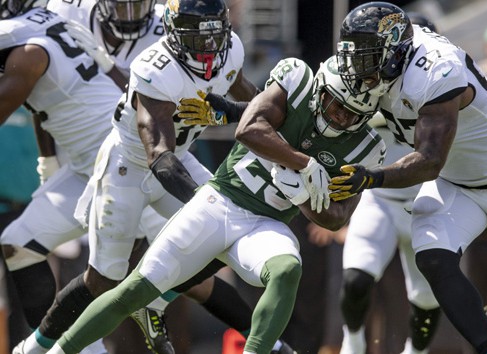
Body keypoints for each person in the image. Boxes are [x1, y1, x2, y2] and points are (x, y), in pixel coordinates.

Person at [42, 54, 386, 354]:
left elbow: (336, 217)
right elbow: (249, 128)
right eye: (336, 104)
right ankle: (59, 351)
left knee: (286, 269)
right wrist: (303, 164)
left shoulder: (364, 146)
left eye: (353, 114)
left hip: (266, 223)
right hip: (219, 201)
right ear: (321, 90)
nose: (341, 117)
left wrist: (303, 195)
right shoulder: (295, 83)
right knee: (132, 291)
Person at [10, 0, 274, 353]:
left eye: (214, 36)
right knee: (103, 278)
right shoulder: (154, 67)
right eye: (197, 37)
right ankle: (35, 349)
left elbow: (254, 106)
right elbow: (159, 158)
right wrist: (206, 201)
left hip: (176, 156)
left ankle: (267, 342)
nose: (208, 48)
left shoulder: (231, 51)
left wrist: (284, 128)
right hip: (129, 165)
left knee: (223, 235)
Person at [332, 3, 487, 354]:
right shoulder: (379, 66)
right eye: (355, 56)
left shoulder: (435, 69)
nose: (358, 69)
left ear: (395, 50)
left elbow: (429, 160)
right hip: (454, 181)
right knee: (431, 258)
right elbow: (305, 107)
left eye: (368, 57)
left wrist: (370, 178)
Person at [0, 0, 126, 353]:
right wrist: (49, 164)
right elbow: (41, 102)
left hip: (122, 164)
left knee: (133, 275)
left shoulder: (27, 52)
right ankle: (70, 349)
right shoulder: (48, 28)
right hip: (91, 165)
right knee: (19, 243)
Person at [339, 14, 441, 354]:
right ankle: (352, 343)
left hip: (428, 202)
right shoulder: (365, 84)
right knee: (356, 279)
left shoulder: (443, 86)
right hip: (379, 198)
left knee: (427, 300)